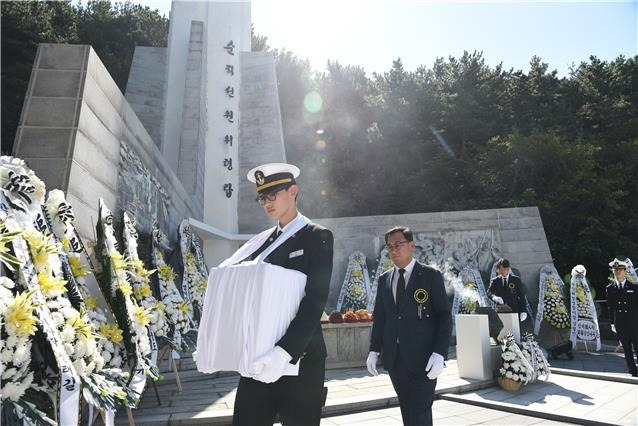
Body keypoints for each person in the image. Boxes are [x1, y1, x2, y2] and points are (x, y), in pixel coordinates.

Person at [231, 163, 334, 425]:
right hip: (259, 357)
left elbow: (315, 298)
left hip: (301, 357)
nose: (267, 203)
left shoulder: (316, 236)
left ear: (293, 191)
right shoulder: (262, 243)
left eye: (273, 195)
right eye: (262, 198)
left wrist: (284, 352)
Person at [366, 226, 452, 426]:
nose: (393, 250)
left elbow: (444, 317)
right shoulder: (384, 279)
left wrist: (440, 353)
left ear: (412, 245)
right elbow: (381, 317)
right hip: (396, 360)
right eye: (389, 246)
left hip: (424, 359)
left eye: (398, 244)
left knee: (421, 412)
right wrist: (373, 349)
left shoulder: (430, 276)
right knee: (407, 409)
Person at [606, 257, 638, 377]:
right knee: (627, 349)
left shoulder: (634, 287)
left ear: (625, 271)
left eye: (620, 270)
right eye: (615, 270)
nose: (617, 272)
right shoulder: (610, 288)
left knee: (637, 346)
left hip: (634, 323)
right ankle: (633, 371)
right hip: (621, 323)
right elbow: (610, 307)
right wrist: (612, 323)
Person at [487, 258, 528, 322]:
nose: (502, 272)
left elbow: (522, 296)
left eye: (504, 269)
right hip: (500, 310)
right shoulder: (495, 281)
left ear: (508, 269)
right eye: (500, 269)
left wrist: (523, 311)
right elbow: (489, 292)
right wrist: (494, 297)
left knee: (514, 330)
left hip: (514, 310)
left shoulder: (516, 280)